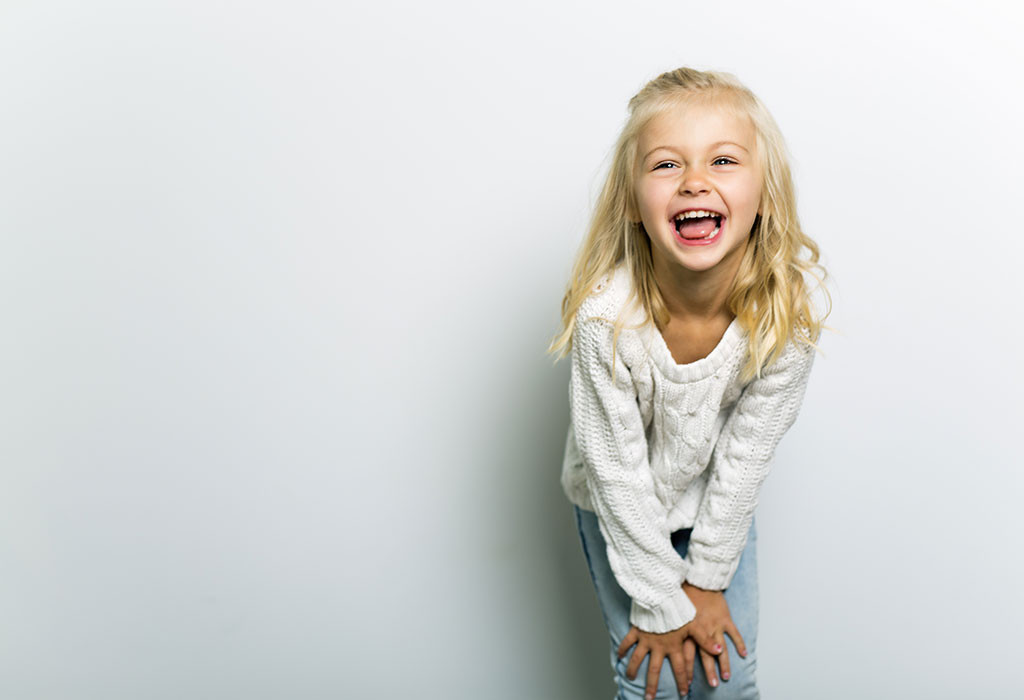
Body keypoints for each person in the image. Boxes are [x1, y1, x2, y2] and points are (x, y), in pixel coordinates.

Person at [547, 66, 831, 700]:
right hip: (616, 505)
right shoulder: (606, 320)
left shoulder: (786, 315)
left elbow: (747, 455)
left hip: (712, 500)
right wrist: (659, 602)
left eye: (723, 160)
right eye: (667, 165)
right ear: (631, 201)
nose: (695, 181)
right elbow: (616, 473)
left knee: (727, 680)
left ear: (767, 194)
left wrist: (705, 581)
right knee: (652, 680)